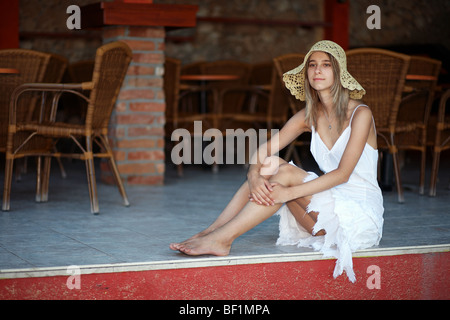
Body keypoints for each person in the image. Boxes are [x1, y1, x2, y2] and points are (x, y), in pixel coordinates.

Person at [170, 40, 384, 282]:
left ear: (339, 72)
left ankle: (222, 239)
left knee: (286, 173)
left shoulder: (360, 114)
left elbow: (342, 175)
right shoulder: (308, 116)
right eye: (312, 65)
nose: (317, 70)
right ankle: (211, 232)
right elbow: (265, 150)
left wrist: (287, 194)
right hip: (322, 214)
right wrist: (253, 175)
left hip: (358, 218)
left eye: (326, 65)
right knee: (271, 165)